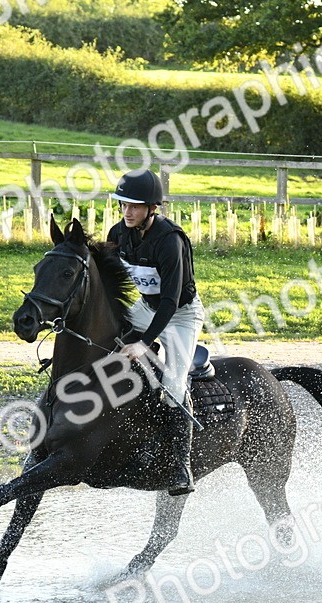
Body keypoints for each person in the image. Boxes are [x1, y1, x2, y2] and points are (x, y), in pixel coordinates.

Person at [107, 169, 206, 496]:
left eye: (135, 206)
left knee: (174, 382)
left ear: (152, 208)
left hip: (180, 314)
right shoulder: (118, 233)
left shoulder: (169, 240)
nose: (127, 212)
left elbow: (170, 300)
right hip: (146, 307)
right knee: (109, 343)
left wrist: (144, 343)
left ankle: (181, 465)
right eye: (124, 205)